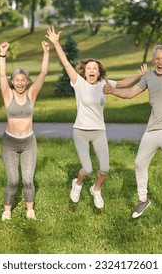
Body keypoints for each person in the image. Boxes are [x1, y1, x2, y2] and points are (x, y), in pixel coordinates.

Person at [46, 27, 147, 209]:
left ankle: (96, 189)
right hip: (81, 132)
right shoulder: (79, 83)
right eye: (88, 68)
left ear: (99, 72)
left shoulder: (103, 84)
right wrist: (56, 43)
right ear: (84, 72)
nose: (92, 70)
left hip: (99, 132)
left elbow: (123, 83)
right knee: (87, 169)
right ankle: (77, 184)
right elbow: (67, 64)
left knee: (105, 169)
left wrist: (139, 75)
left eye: (95, 68)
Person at [103, 44, 162, 228]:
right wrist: (113, 91)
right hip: (153, 128)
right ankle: (143, 199)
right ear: (153, 60)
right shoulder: (149, 77)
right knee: (139, 162)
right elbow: (129, 93)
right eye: (157, 59)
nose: (160, 62)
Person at [0, 40, 50, 221]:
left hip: (28, 142)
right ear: (12, 82)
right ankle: (7, 210)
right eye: (16, 80)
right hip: (9, 142)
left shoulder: (31, 94)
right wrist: (3, 54)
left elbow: (43, 73)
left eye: (23, 80)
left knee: (28, 180)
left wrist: (45, 52)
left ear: (27, 82)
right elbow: (2, 74)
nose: (20, 83)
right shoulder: (8, 94)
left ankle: (30, 210)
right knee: (13, 180)